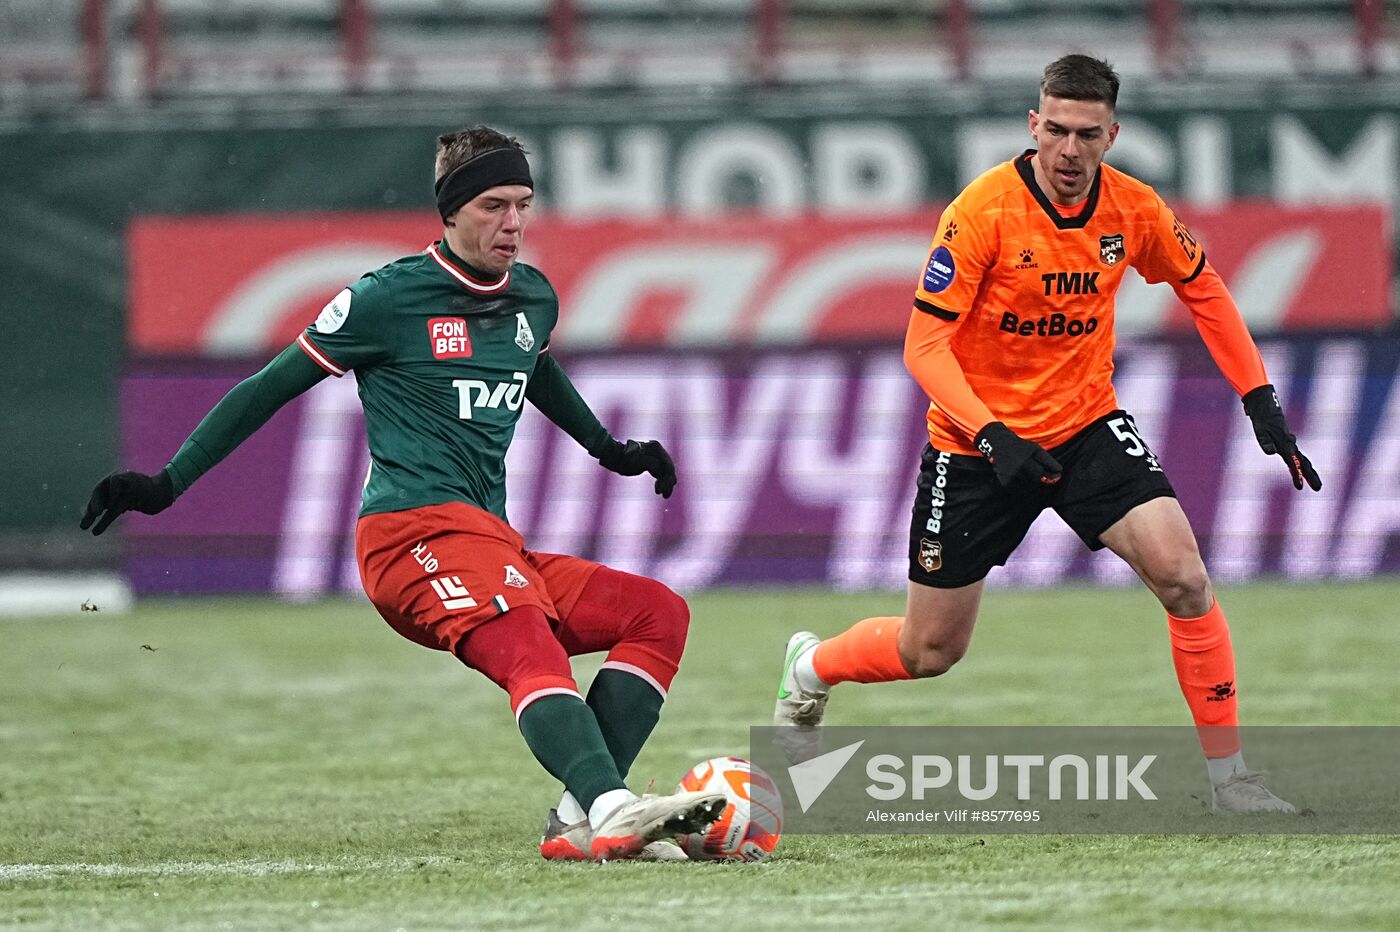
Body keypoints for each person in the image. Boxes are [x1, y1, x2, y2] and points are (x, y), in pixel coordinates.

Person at [81, 126, 725, 860]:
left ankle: (581, 822)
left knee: (657, 612)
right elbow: (267, 389)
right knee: (526, 638)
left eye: (523, 204)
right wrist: (167, 484)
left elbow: (534, 369)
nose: (513, 223)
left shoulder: (532, 299)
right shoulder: (384, 299)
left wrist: (609, 449)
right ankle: (615, 807)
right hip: (409, 537)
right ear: (450, 212)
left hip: (491, 540)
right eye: (493, 205)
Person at [773, 55, 1320, 813]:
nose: (1069, 151)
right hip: (975, 447)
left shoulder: (1133, 209)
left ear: (1112, 135)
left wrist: (1259, 398)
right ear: (1034, 126)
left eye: (1087, 135)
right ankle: (812, 667)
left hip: (1086, 423)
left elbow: (1204, 286)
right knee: (929, 651)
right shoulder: (982, 212)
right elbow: (922, 347)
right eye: (1055, 130)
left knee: (1185, 578)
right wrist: (994, 435)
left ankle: (1232, 780)